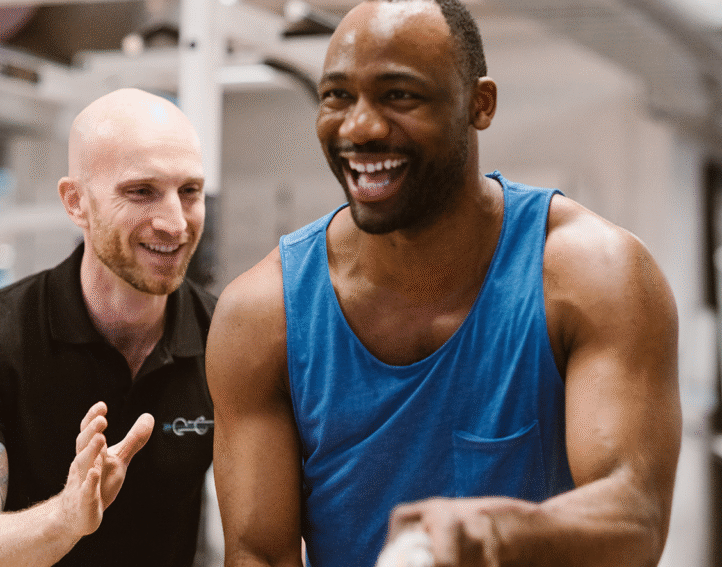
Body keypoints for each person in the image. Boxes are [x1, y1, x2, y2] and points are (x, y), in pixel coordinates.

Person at [206, 0, 681, 566]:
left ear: (480, 104)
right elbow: (258, 554)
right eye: (337, 96)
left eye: (399, 95)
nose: (360, 126)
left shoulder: (592, 274)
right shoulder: (262, 315)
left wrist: (495, 532)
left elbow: (634, 518)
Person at [0, 87, 216, 567]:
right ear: (76, 202)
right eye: (141, 191)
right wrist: (65, 518)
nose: (175, 223)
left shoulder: (224, 337)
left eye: (190, 191)